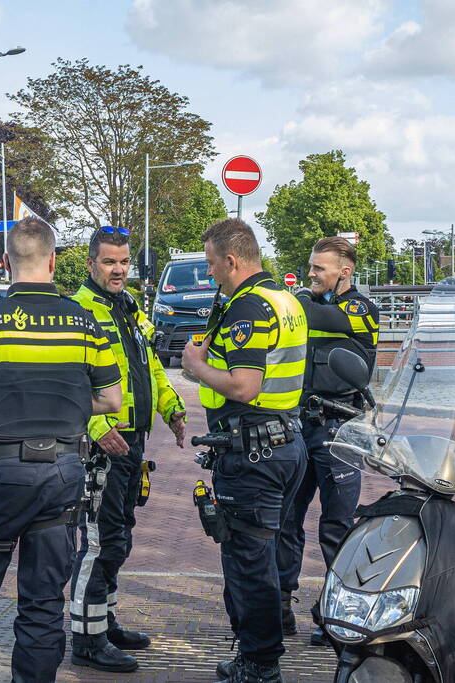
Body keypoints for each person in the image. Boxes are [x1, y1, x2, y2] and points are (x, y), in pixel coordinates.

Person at [0, 216, 123, 683]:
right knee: (43, 601)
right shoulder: (86, 323)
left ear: (5, 263)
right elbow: (112, 399)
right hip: (62, 472)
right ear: (55, 261)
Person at [181, 218, 308, 683]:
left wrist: (195, 367)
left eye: (213, 265)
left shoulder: (249, 307)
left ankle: (258, 663)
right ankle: (265, 648)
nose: (210, 274)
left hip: (253, 452)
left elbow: (244, 385)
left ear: (232, 260)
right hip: (286, 441)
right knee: (270, 554)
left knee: (249, 562)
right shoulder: (285, 300)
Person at [68, 226, 187, 672]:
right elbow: (70, 380)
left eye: (124, 261)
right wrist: (97, 425)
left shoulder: (129, 307)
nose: (118, 270)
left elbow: (150, 365)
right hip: (103, 444)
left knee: (119, 537)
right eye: (109, 262)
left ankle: (105, 621)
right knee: (100, 542)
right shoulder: (79, 311)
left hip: (133, 441)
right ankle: (85, 637)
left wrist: (171, 407)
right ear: (91, 264)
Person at [275, 236, 379, 646]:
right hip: (301, 425)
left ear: (345, 272)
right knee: (286, 519)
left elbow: (321, 318)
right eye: (311, 266)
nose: (312, 273)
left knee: (337, 526)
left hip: (340, 429)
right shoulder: (312, 306)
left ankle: (336, 615)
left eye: (320, 268)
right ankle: (281, 604)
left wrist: (291, 299)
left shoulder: (359, 309)